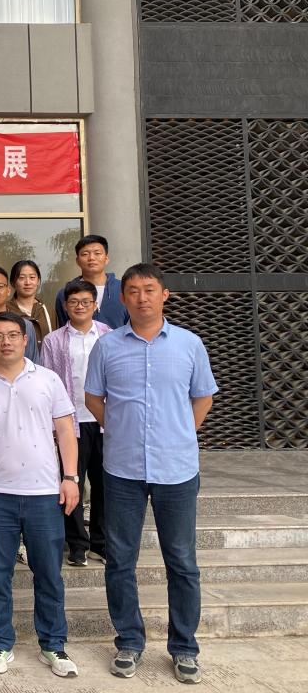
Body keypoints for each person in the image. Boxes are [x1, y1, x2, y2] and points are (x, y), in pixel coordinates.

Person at [84, 263, 217, 684]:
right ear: (123, 298)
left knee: (182, 561)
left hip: (176, 469)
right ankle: (129, 640)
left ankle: (185, 647)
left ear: (164, 295)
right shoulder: (107, 346)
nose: (141, 298)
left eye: (149, 289)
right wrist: (121, 429)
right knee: (120, 559)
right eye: (133, 291)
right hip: (122, 470)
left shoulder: (189, 343)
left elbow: (203, 397)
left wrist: (180, 433)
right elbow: (93, 398)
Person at [0, 311, 81, 679]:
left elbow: (65, 430)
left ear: (26, 340)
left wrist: (71, 477)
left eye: (13, 335)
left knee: (48, 573)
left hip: (44, 492)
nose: (6, 342)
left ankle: (53, 644)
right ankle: (1, 644)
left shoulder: (48, 379)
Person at [41, 280, 112, 567]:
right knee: (72, 482)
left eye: (85, 301)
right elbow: (47, 381)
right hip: (70, 422)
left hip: (105, 420)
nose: (80, 306)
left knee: (104, 484)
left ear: (95, 305)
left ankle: (100, 543)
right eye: (73, 302)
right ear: (65, 306)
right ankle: (77, 544)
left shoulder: (109, 335)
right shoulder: (53, 340)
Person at [54, 235, 128, 329]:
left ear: (106, 259)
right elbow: (64, 330)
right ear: (77, 261)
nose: (91, 258)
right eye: (85, 254)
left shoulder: (124, 289)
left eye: (97, 253)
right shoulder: (65, 293)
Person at [7, 259, 57, 346]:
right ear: (13, 282)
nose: (28, 282)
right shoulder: (5, 310)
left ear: (38, 281)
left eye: (32, 277)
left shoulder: (48, 311)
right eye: (22, 278)